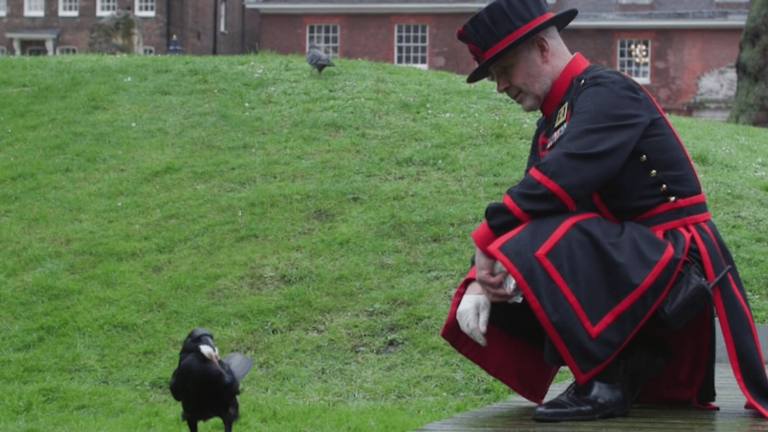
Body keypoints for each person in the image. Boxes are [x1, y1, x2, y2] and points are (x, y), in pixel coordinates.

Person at [440, 0, 768, 422]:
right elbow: (528, 211)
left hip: (673, 262)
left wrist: (486, 241)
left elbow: (556, 183)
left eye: (503, 69)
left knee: (551, 240)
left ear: (542, 48)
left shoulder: (607, 91)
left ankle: (606, 380)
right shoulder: (553, 123)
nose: (500, 86)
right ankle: (618, 364)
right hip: (631, 264)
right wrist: (479, 281)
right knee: (528, 246)